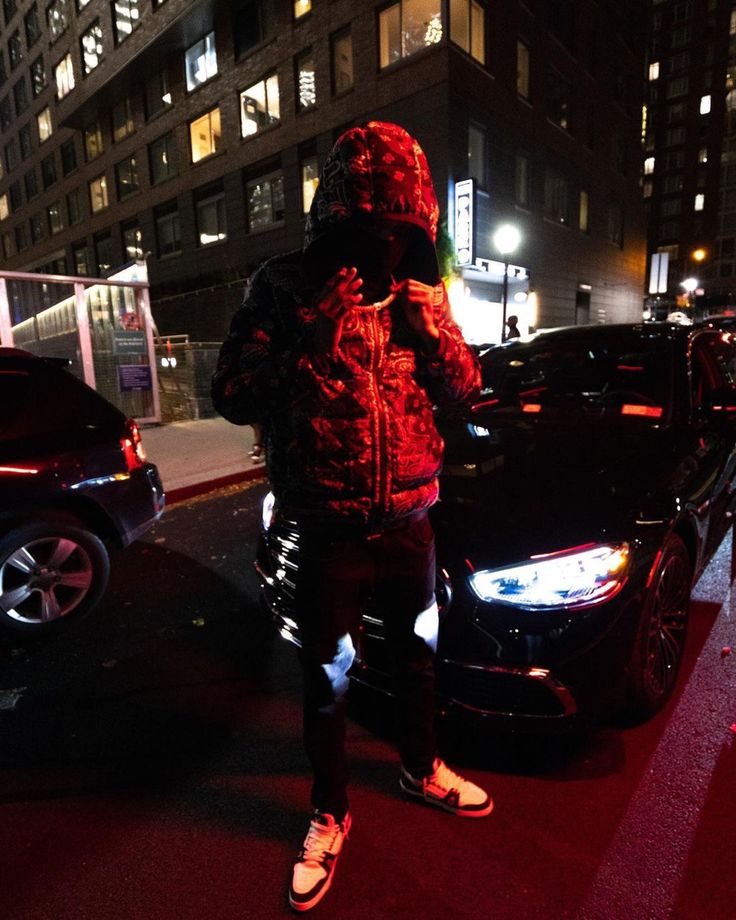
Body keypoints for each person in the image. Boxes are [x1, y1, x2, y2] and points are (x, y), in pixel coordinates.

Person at [211, 121, 491, 913]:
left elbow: (466, 391)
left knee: (419, 658)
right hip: (326, 523)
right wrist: (313, 331)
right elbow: (231, 394)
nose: (381, 245)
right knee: (327, 678)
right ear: (333, 219)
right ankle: (330, 810)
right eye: (364, 227)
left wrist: (433, 324)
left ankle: (420, 764)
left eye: (396, 228)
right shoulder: (283, 286)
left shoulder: (421, 291)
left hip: (410, 519)